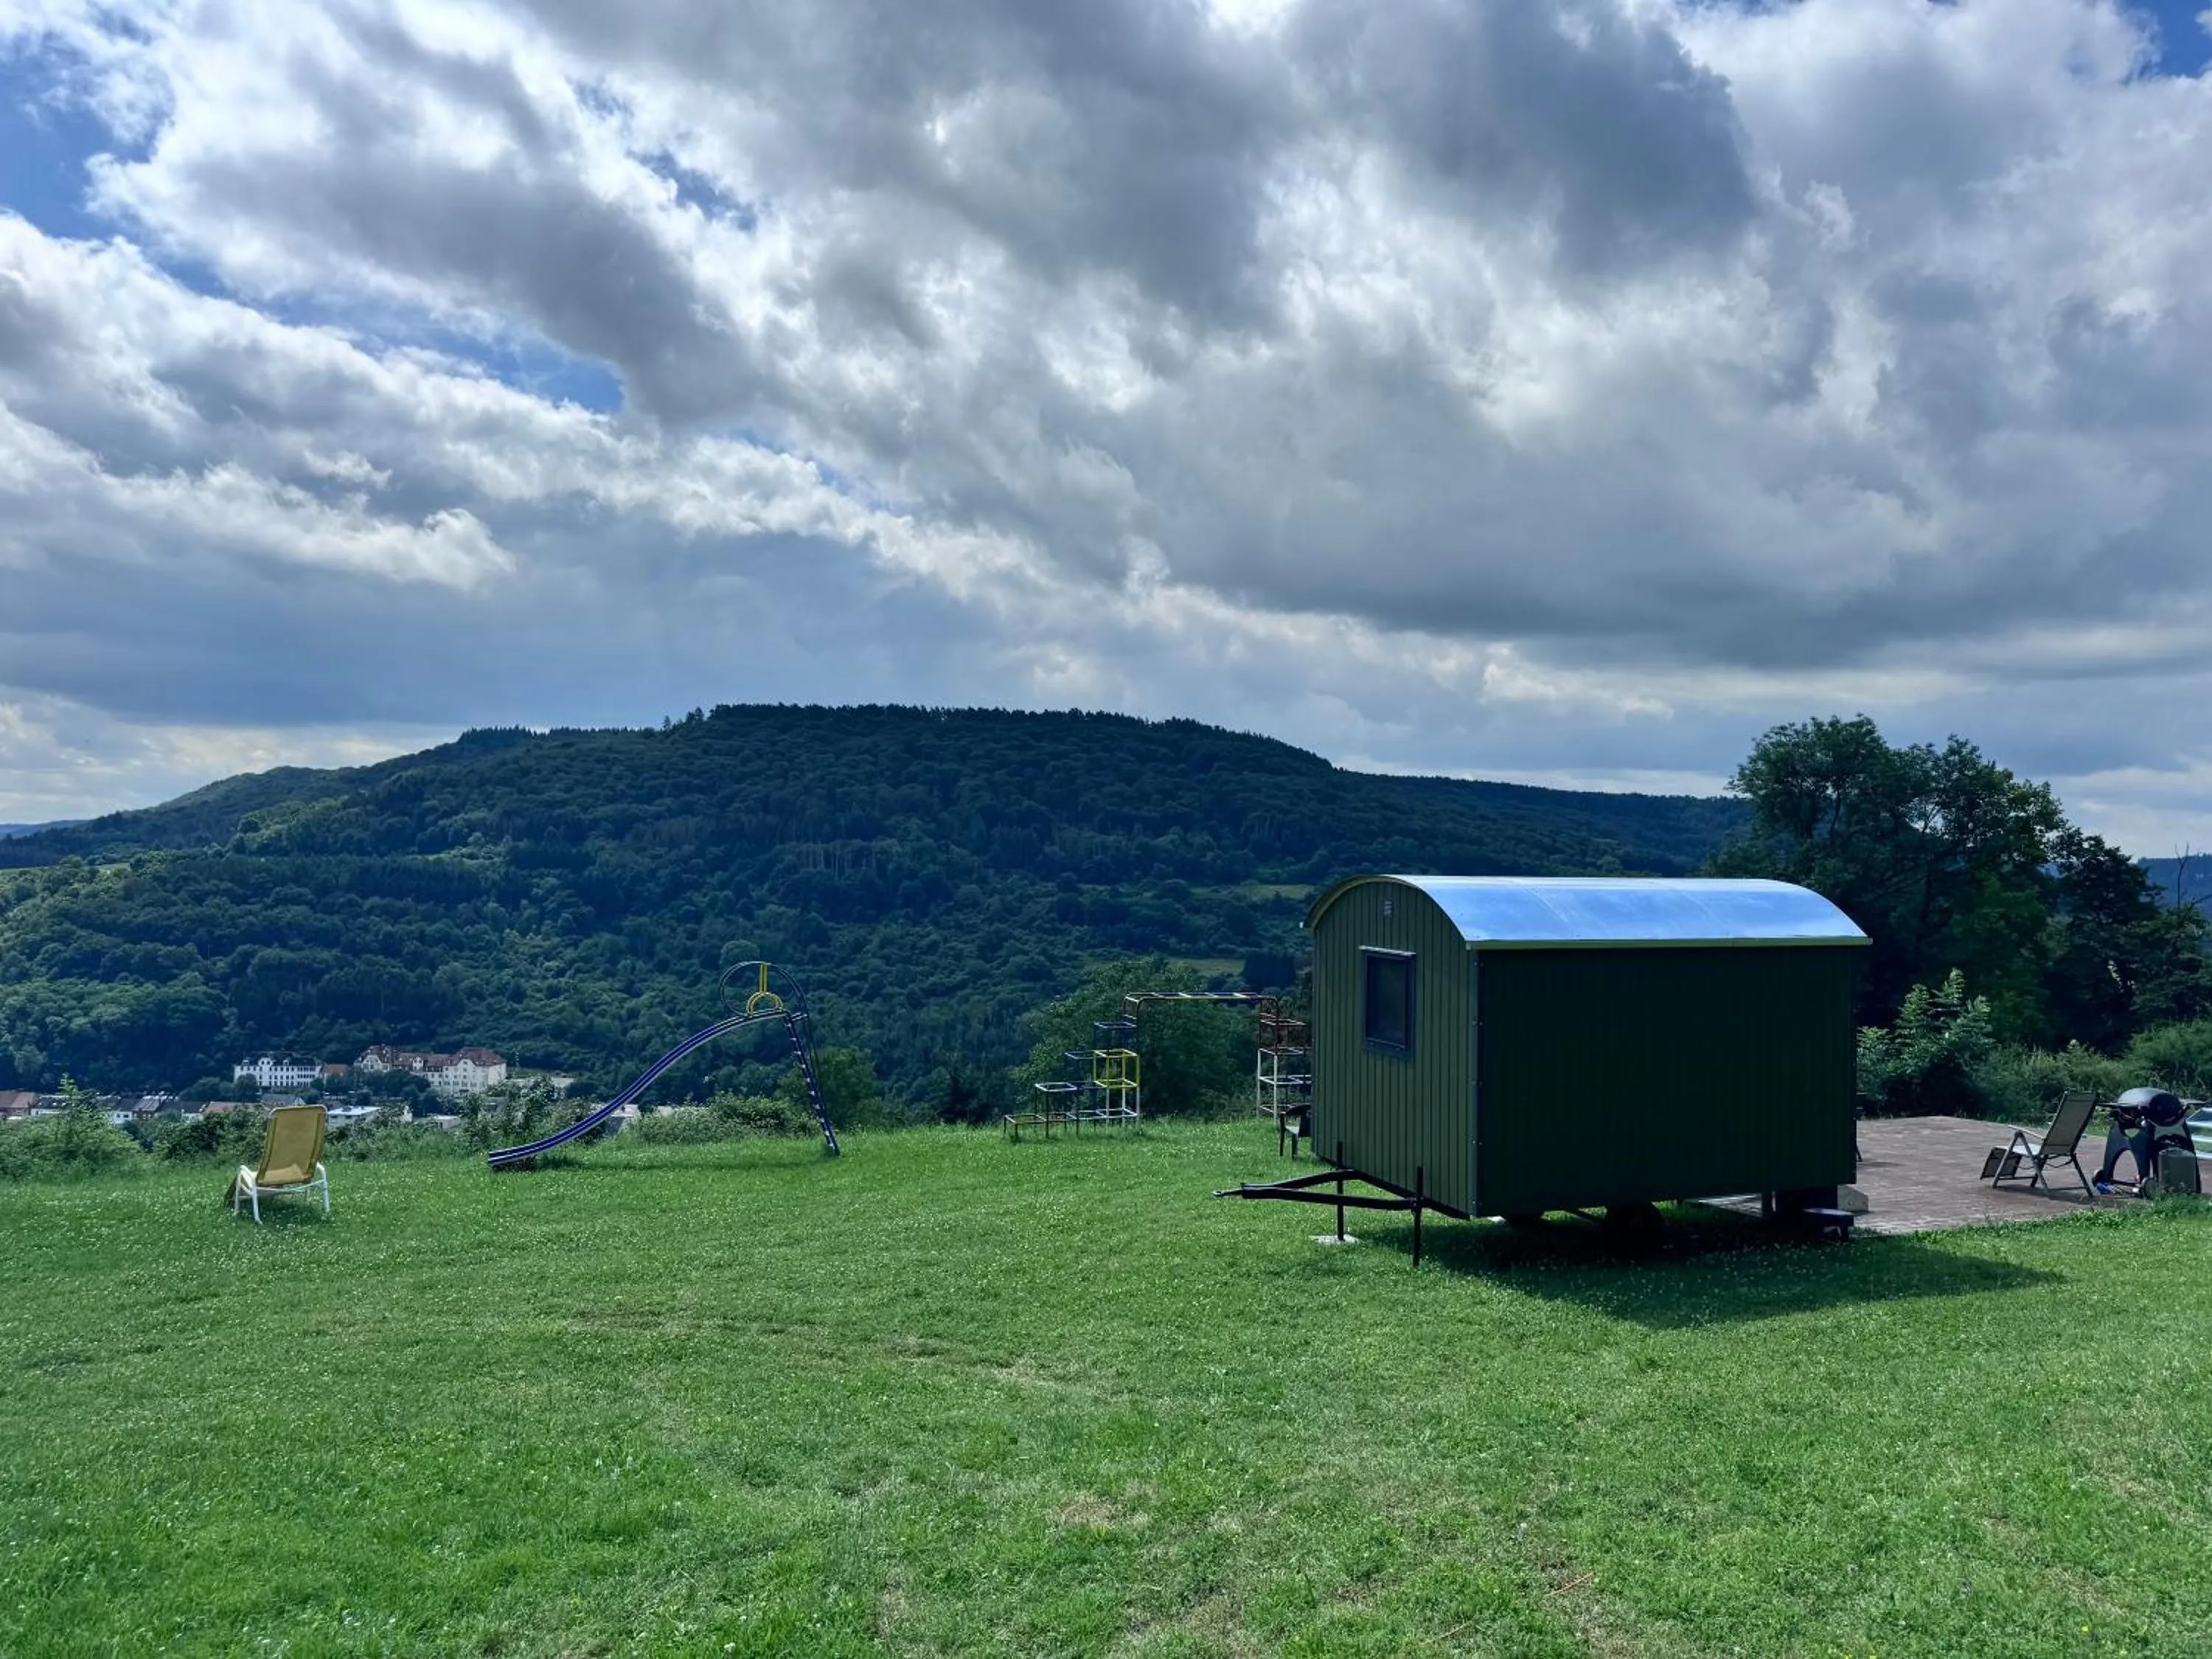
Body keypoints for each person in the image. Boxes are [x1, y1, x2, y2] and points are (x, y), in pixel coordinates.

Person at [2093, 1089, 2188, 1194]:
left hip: (2153, 1115)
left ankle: (2144, 1178)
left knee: (2150, 1146)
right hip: (2159, 1115)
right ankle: (2142, 1177)